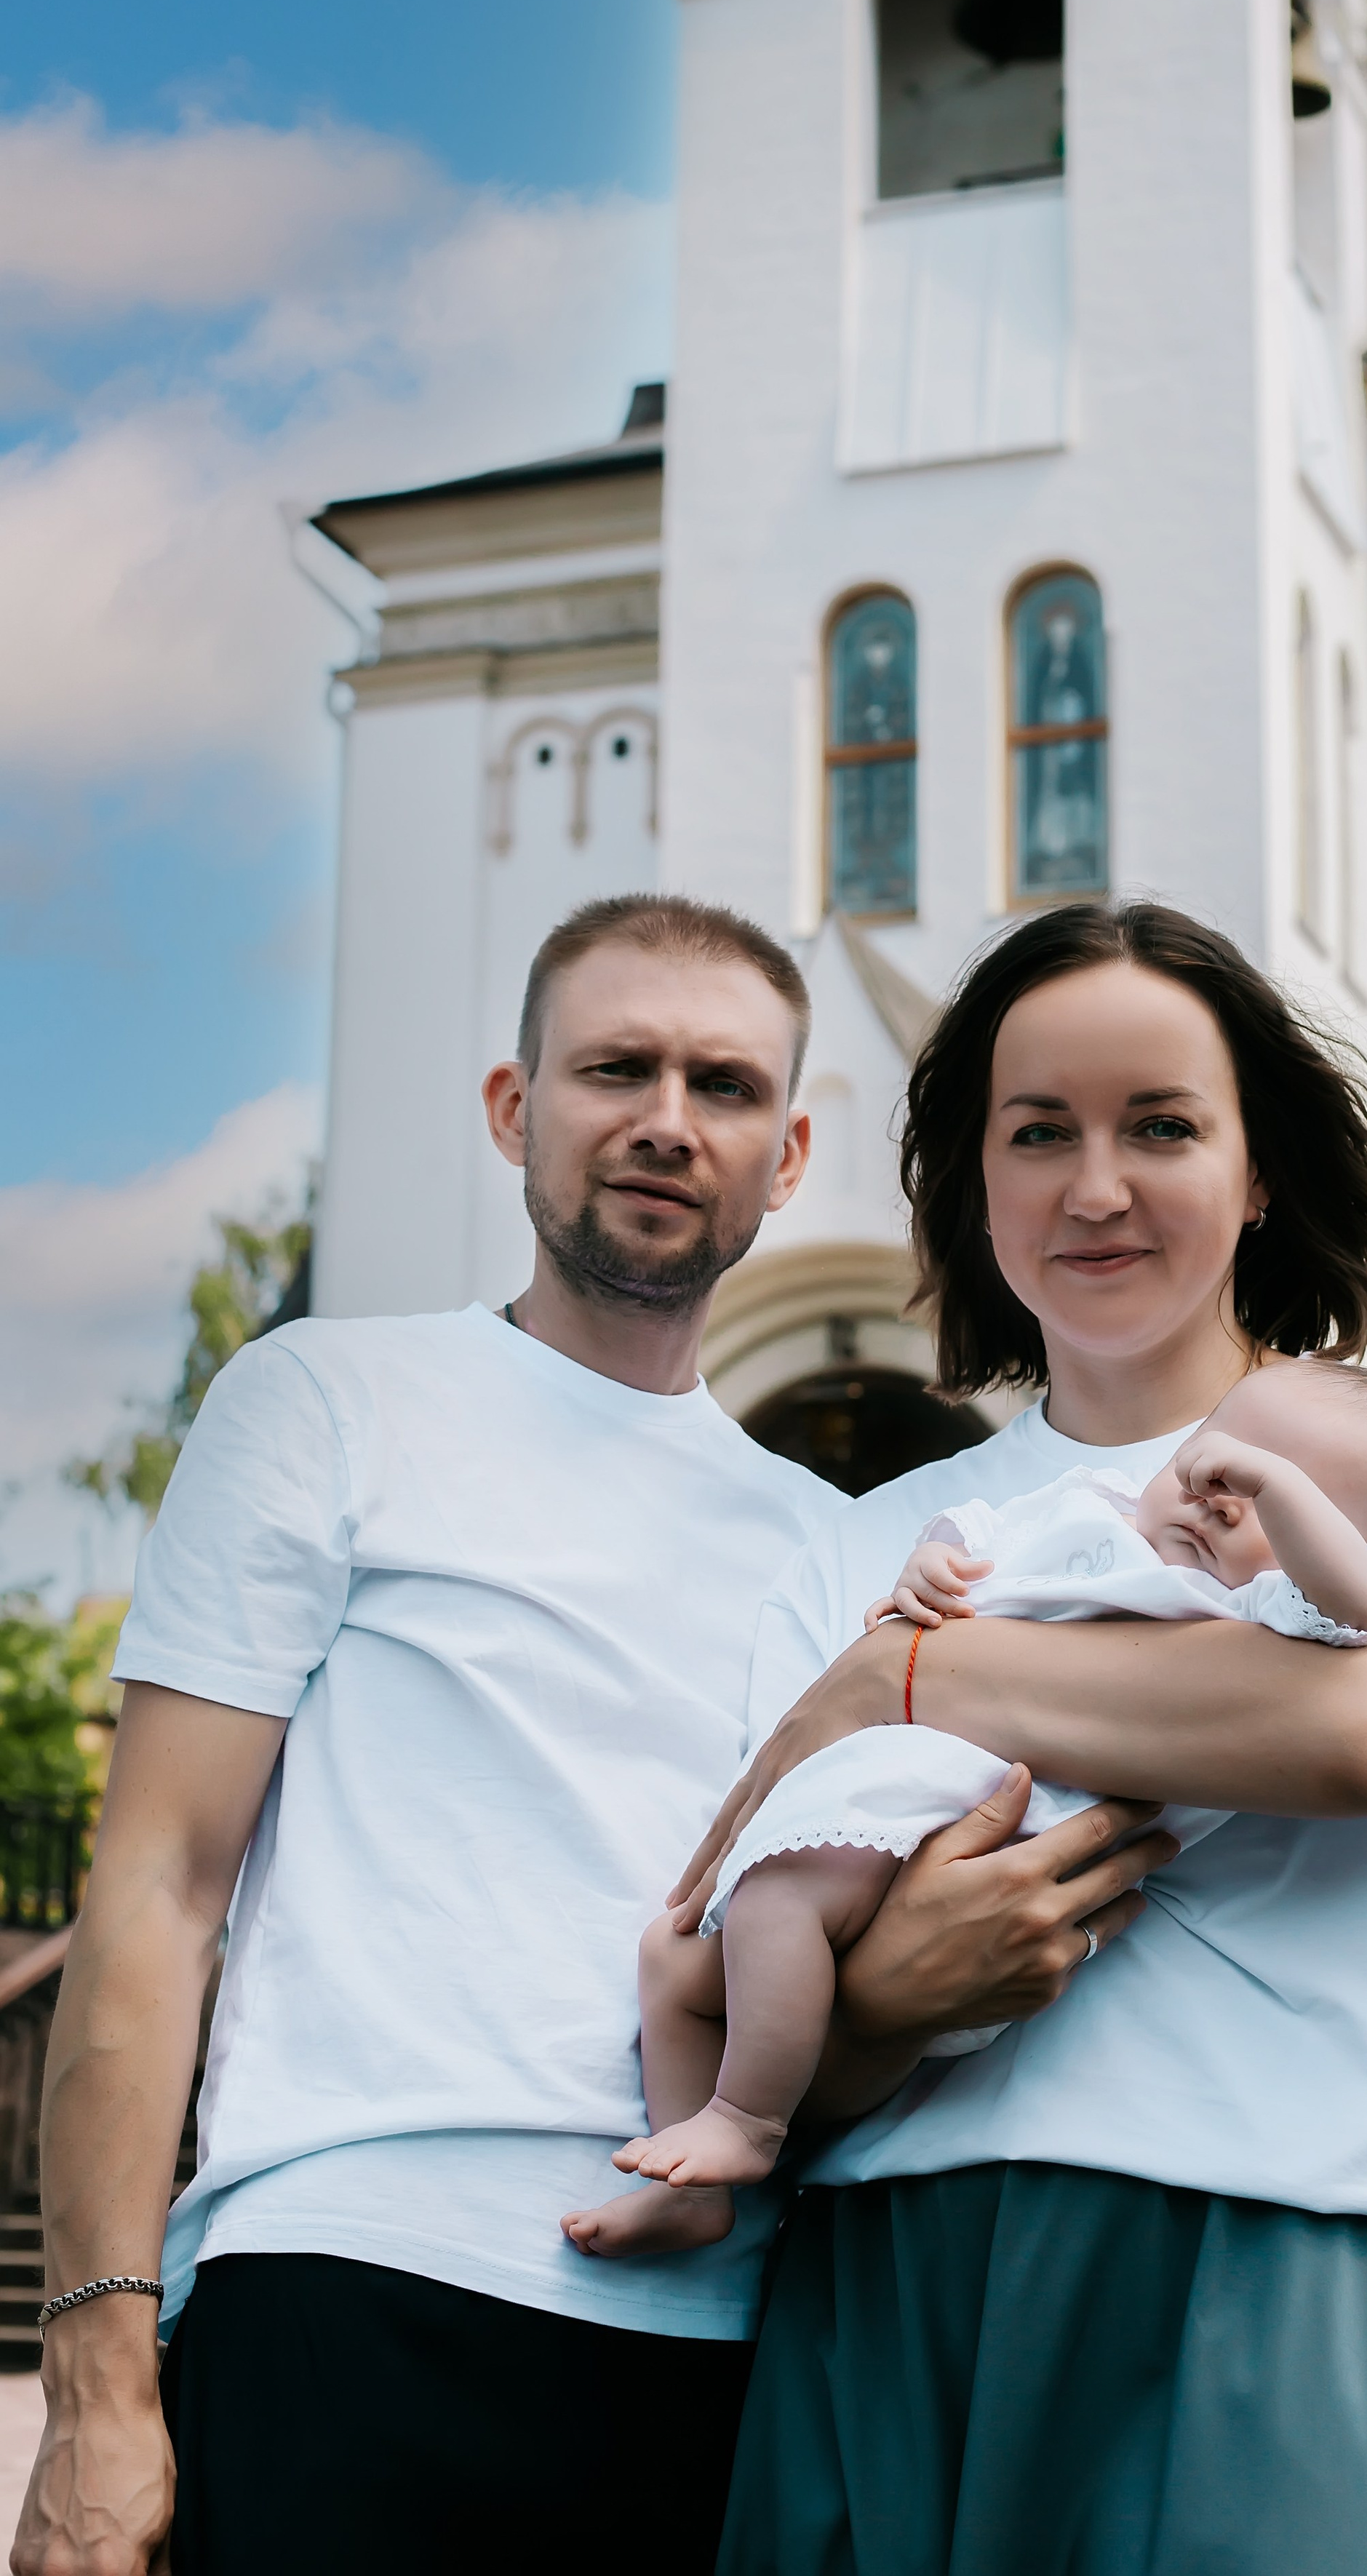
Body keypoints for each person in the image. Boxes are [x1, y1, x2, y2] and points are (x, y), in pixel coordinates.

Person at [10, 894, 1177, 2576]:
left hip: (723, 2341)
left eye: (717, 1085)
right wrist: (101, 2380)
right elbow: (156, 1888)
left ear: (785, 1157)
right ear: (513, 1107)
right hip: (350, 2277)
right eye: (614, 1066)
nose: (662, 1119)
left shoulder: (833, 1548)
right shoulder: (323, 1402)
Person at [693, 899, 1367, 2576]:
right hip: (898, 2262)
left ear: (1254, 1170)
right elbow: (748, 1934)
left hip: (1295, 2232)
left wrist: (916, 1679)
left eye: (1160, 1124)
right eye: (1037, 1133)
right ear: (971, 1181)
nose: (1093, 1184)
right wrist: (883, 1994)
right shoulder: (853, 1537)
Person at [568, 1359, 1367, 2252]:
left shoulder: (1257, 1610)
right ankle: (688, 2189)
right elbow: (974, 1544)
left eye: (1279, 1494)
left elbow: (1359, 1608)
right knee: (671, 1957)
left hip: (999, 1842)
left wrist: (1277, 1487)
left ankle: (744, 2120)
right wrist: (929, 1569)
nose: (1225, 1494)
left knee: (776, 1907)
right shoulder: (1087, 1506)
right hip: (895, 1813)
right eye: (1217, 1458)